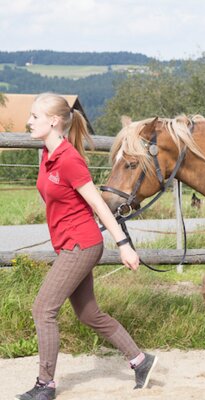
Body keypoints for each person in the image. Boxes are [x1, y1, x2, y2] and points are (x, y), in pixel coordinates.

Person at [16, 93, 157, 400]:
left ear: (53, 122)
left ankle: (45, 385)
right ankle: (141, 361)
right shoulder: (47, 154)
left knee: (43, 309)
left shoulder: (69, 160)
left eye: (35, 117)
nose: (29, 121)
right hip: (69, 244)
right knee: (89, 313)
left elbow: (98, 205)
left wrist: (123, 244)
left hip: (81, 244)